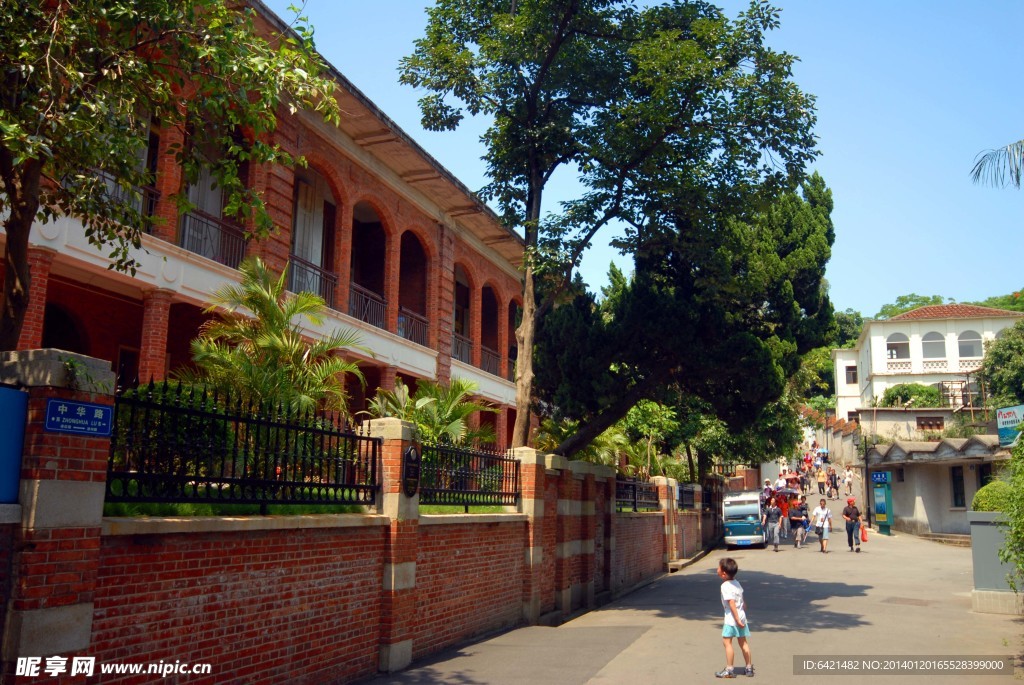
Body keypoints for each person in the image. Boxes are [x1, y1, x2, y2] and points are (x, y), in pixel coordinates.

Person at [715, 557, 754, 678]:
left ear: (723, 574)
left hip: (732, 619)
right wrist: (742, 613)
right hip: (742, 616)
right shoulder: (737, 583)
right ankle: (748, 668)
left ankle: (729, 669)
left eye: (719, 567)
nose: (717, 569)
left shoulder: (725, 586)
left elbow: (731, 603)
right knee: (743, 642)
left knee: (727, 642)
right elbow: (742, 600)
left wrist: (736, 619)